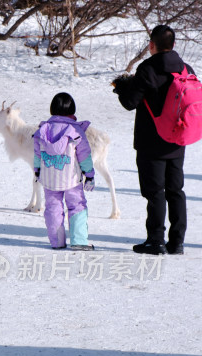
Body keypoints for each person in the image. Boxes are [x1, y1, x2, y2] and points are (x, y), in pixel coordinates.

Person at [115, 25, 194, 255]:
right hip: (178, 141)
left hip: (151, 142)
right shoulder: (185, 68)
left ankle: (155, 241)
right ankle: (177, 242)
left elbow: (130, 102)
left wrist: (122, 88)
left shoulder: (147, 68)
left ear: (152, 45)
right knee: (176, 190)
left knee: (155, 193)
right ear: (174, 45)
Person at [33, 92, 96, 251]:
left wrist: (37, 170)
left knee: (53, 208)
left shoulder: (42, 130)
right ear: (72, 111)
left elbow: (37, 154)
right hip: (71, 179)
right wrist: (89, 174)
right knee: (77, 206)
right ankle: (79, 241)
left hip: (49, 178)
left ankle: (57, 242)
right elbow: (84, 155)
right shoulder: (75, 131)